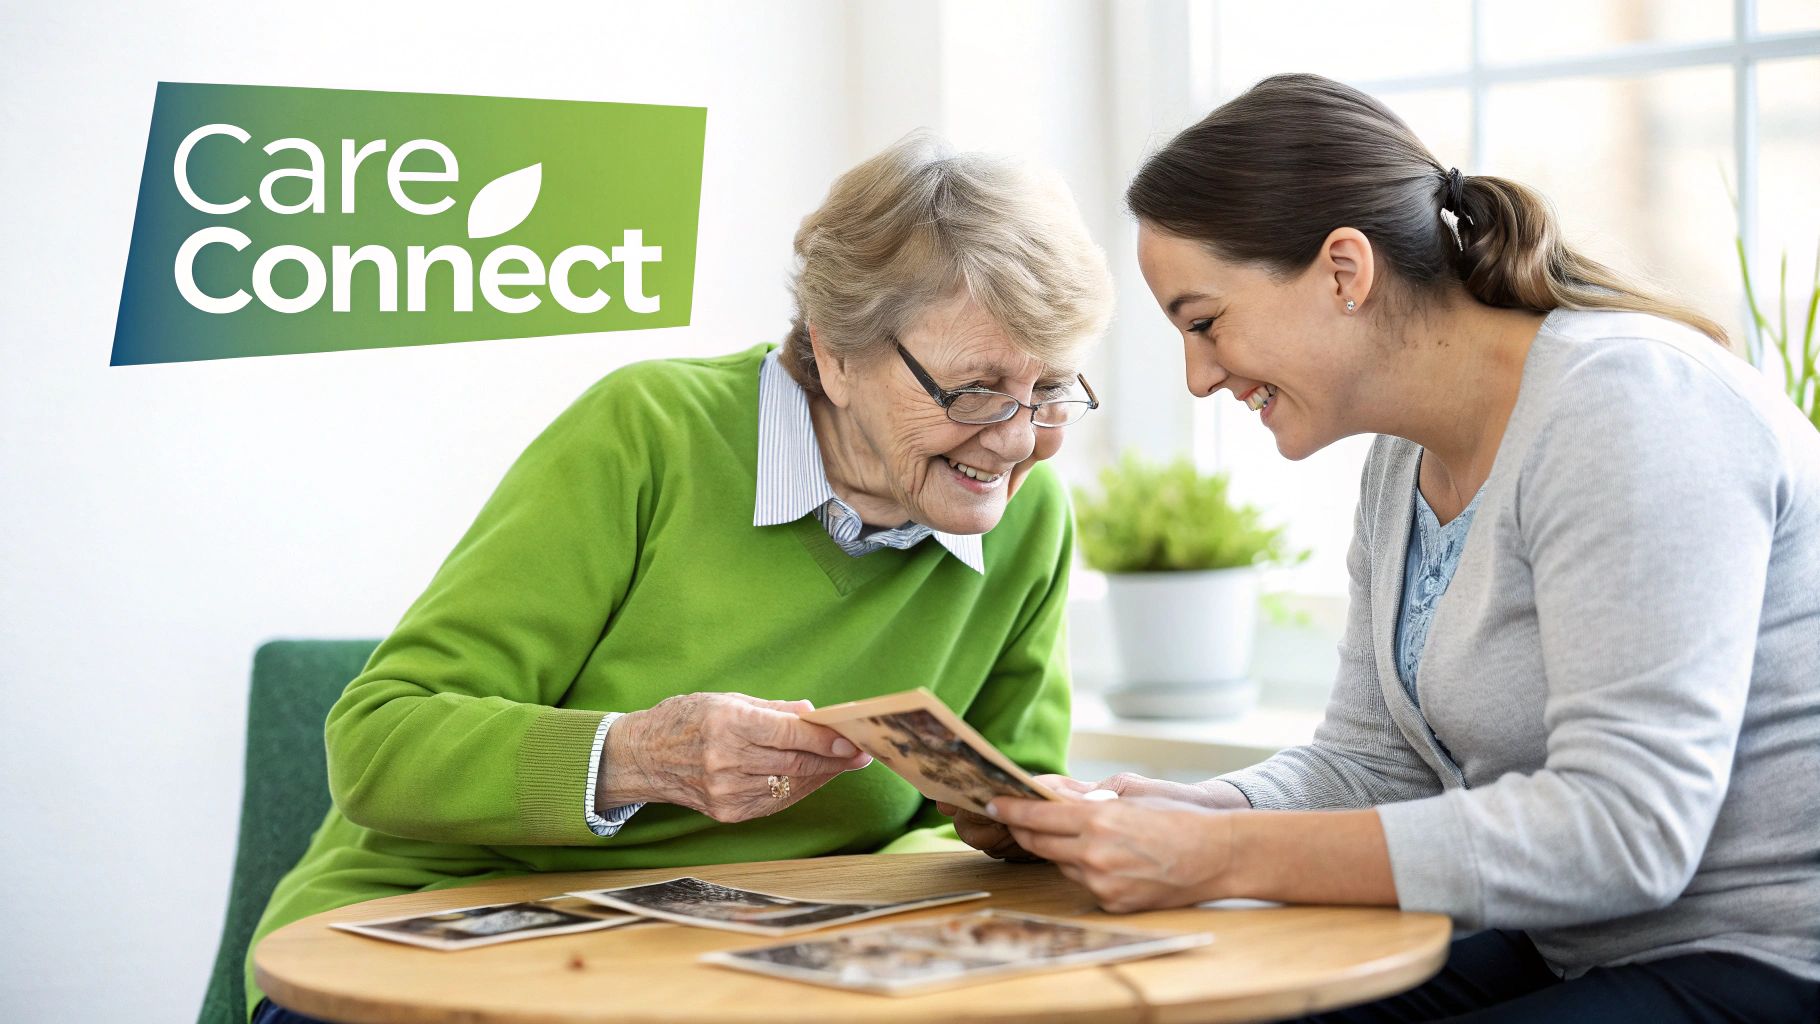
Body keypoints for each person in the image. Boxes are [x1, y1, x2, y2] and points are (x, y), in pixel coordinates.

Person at [953, 74, 1820, 1021]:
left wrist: (1218, 859)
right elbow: (1374, 764)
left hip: (1761, 954)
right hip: (1577, 947)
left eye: (1205, 323)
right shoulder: (1401, 464)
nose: (1198, 377)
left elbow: (1627, 832)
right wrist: (1190, 812)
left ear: (1344, 270)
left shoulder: (1632, 406)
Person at [244, 131, 1113, 1022]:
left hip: (743, 975)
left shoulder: (1026, 518)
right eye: (975, 389)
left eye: (1051, 390)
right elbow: (380, 742)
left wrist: (1018, 823)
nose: (1015, 441)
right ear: (839, 354)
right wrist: (635, 758)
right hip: (442, 944)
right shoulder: (649, 434)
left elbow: (997, 824)